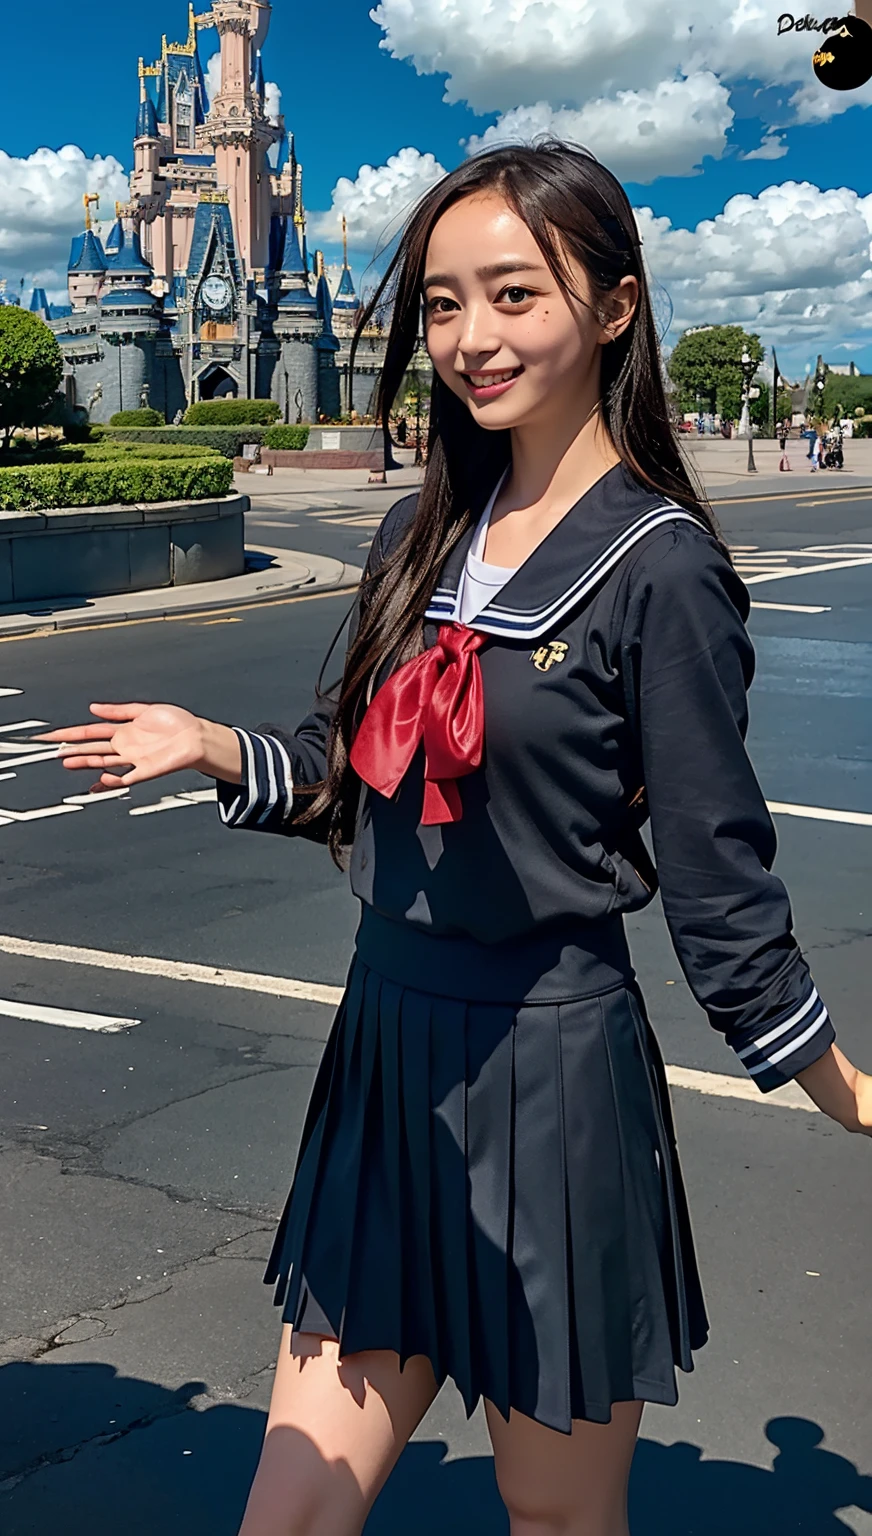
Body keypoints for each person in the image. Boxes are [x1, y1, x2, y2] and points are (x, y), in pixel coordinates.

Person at [39, 141, 872, 1536]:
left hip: (550, 1067)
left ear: (612, 306)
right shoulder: (423, 536)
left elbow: (724, 891)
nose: (468, 340)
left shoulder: (661, 568)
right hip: (386, 1051)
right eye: (439, 304)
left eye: (511, 294)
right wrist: (207, 748)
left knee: (553, 1521)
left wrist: (852, 1095)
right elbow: (348, 768)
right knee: (289, 1516)